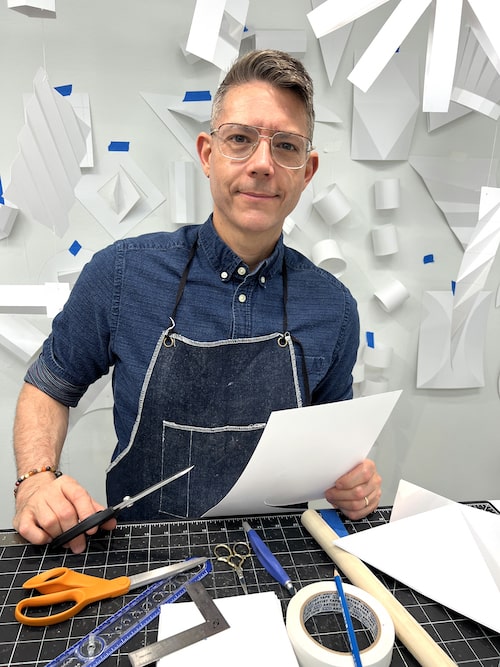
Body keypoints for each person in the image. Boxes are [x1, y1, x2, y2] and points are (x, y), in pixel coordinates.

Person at [12, 49, 382, 554]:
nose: (262, 165)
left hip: (278, 557)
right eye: (240, 140)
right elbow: (48, 386)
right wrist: (35, 480)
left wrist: (352, 484)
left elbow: (332, 450)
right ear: (208, 154)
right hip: (142, 553)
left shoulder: (334, 309)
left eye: (286, 146)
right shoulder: (123, 275)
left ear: (307, 170)